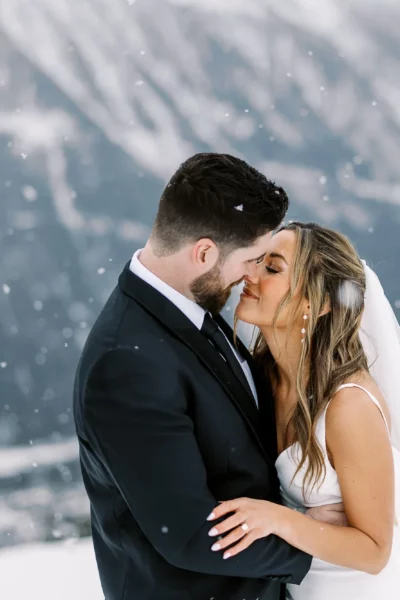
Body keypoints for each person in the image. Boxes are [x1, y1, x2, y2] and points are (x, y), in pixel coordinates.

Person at [73, 153, 317, 600]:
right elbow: (190, 536)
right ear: (204, 252)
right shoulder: (126, 363)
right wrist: (326, 549)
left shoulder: (187, 302)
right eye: (251, 260)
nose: (253, 276)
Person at [207, 222, 400, 600]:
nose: (250, 273)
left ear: (320, 303)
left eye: (272, 268)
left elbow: (375, 551)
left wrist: (279, 519)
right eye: (256, 261)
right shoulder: (262, 376)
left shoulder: (348, 406)